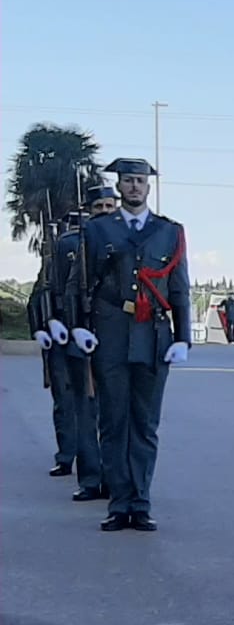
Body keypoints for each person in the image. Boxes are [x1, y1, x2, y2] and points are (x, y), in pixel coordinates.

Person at [70, 158, 191, 532]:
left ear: (148, 187)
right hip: (110, 334)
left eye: (139, 180)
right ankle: (118, 504)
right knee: (113, 422)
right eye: (127, 181)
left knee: (145, 424)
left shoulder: (169, 231)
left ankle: (140, 502)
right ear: (119, 186)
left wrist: (183, 337)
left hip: (153, 336)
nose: (134, 186)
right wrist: (78, 327)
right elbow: (78, 282)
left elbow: (179, 287)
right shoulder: (98, 229)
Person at [34, 190, 112, 500]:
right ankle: (87, 474)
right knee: (81, 408)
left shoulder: (127, 240)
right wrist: (51, 323)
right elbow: (52, 290)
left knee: (116, 416)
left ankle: (115, 479)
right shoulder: (69, 244)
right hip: (77, 334)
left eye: (109, 205)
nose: (104, 210)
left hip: (117, 337)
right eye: (98, 206)